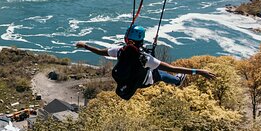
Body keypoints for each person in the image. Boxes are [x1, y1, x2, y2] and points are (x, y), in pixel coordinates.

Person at [75, 25, 216, 100]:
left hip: (128, 80)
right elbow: (172, 68)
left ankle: (173, 80)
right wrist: (198, 71)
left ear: (126, 40)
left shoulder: (120, 51)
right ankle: (177, 82)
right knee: (158, 74)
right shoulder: (145, 58)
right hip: (143, 82)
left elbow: (100, 52)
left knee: (154, 69)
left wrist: (85, 45)